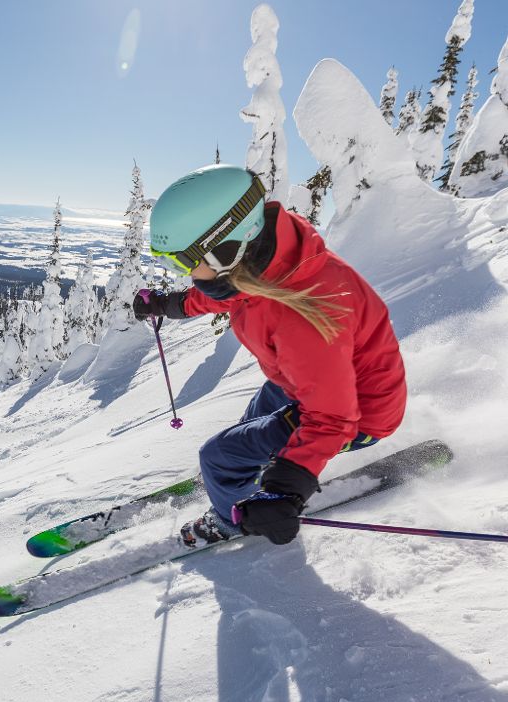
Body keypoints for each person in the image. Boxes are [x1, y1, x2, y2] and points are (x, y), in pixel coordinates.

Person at [133, 164, 406, 548]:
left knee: (217, 456)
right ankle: (242, 473)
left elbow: (332, 417)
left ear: (225, 248)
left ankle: (229, 519)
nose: (181, 273)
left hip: (357, 414)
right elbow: (227, 295)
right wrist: (170, 304)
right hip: (311, 385)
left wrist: (287, 488)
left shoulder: (302, 315)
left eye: (182, 261)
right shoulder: (267, 258)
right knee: (251, 425)